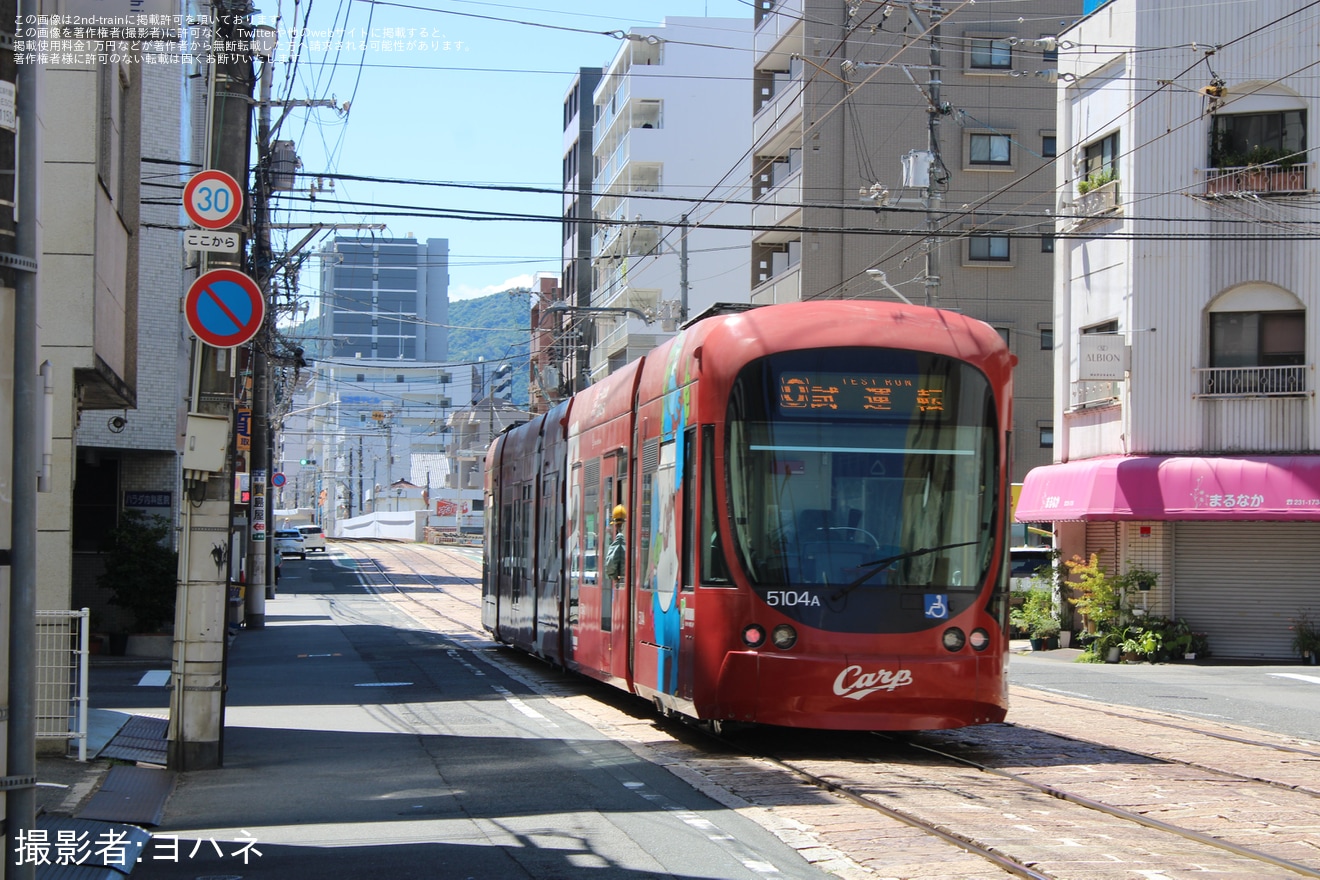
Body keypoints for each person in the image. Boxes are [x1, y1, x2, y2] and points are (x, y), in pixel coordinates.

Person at [604, 504, 627, 581]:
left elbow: (610, 564)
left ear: (616, 526)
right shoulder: (627, 539)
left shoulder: (619, 539)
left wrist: (614, 577)